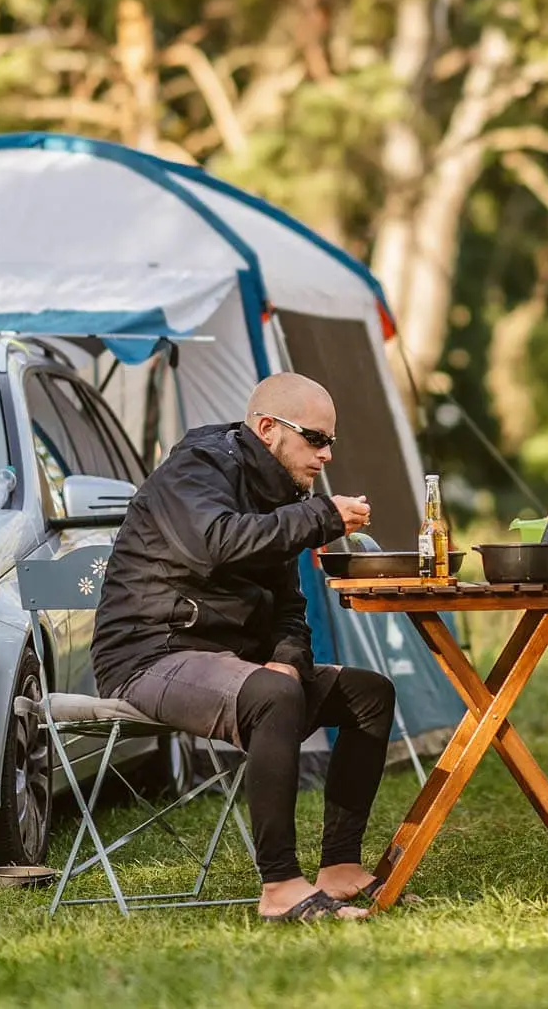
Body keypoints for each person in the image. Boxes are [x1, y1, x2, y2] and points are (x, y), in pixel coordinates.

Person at [91, 372, 394, 923]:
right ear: (267, 428)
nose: (326, 455)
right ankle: (280, 885)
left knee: (368, 693)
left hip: (230, 664)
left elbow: (288, 608)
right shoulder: (197, 467)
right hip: (149, 653)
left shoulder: (281, 493)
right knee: (273, 695)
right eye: (316, 438)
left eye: (332, 441)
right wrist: (322, 518)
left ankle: (341, 867)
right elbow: (216, 542)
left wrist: (288, 659)